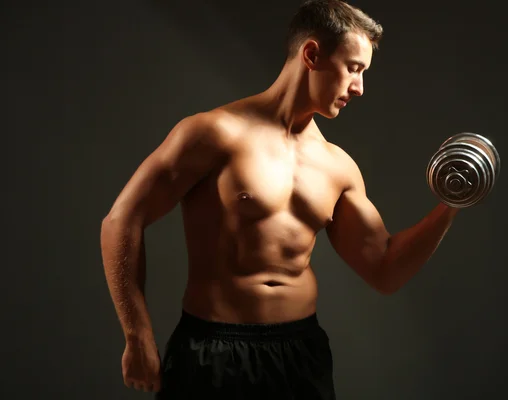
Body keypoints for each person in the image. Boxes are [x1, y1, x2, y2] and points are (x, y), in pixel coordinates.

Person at [100, 0, 459, 398]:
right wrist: (138, 335)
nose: (359, 87)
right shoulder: (215, 133)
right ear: (311, 54)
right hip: (213, 351)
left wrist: (451, 204)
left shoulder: (336, 166)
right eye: (353, 68)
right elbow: (121, 220)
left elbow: (384, 269)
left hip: (300, 354)